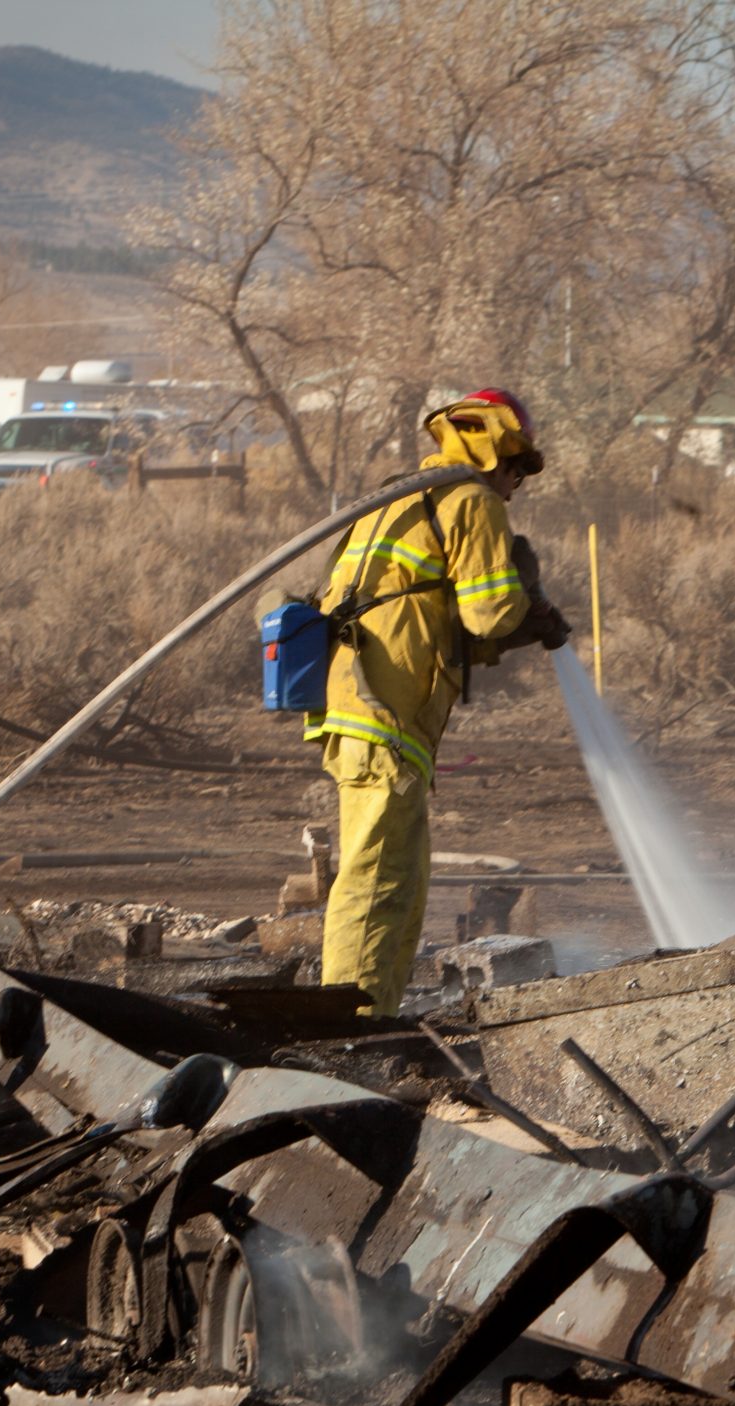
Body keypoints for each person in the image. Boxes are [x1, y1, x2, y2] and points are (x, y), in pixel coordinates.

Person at [308, 389, 570, 1013]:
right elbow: (488, 613)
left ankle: (376, 1016)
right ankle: (345, 1028)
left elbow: (423, 618)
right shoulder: (473, 502)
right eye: (516, 471)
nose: (515, 488)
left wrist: (518, 626)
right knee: (373, 884)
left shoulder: (401, 496)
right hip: (386, 713)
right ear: (498, 454)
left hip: (361, 704)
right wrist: (524, 595)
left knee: (401, 882)